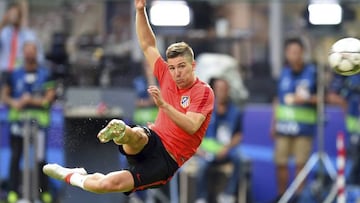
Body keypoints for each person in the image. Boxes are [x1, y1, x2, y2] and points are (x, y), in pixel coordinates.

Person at [42, 0, 214, 197]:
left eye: (182, 66)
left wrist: (164, 106)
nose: (176, 73)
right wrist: (140, 11)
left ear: (194, 65)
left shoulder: (203, 91)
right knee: (138, 136)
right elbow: (148, 45)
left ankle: (72, 175)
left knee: (105, 185)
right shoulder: (168, 76)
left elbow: (192, 125)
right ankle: (121, 131)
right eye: (172, 67)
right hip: (154, 137)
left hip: (167, 160)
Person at [1, 42, 55, 203]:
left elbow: (49, 98)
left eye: (32, 52)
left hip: (39, 124)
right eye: (27, 52)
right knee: (16, 156)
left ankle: (43, 192)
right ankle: (13, 192)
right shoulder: (14, 74)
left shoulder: (45, 74)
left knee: (40, 158)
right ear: (23, 54)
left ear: (36, 53)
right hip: (18, 122)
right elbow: (4, 96)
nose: (29, 55)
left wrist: (32, 100)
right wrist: (14, 102)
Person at [270, 38, 318, 202]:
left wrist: (306, 99)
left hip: (303, 129)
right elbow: (277, 99)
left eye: (297, 52)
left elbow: (323, 98)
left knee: (300, 164)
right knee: (281, 163)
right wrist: (273, 124)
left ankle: (299, 198)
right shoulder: (283, 73)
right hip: (284, 128)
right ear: (286, 54)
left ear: (302, 53)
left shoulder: (312, 72)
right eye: (291, 52)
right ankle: (283, 197)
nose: (294, 56)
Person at [195, 77, 242, 203]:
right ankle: (201, 198)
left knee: (239, 159)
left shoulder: (235, 111)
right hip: (206, 152)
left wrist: (228, 148)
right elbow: (194, 133)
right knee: (202, 166)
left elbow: (238, 135)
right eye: (219, 89)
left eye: (225, 89)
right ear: (214, 91)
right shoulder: (204, 110)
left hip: (225, 151)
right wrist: (198, 149)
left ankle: (227, 194)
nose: (222, 92)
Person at [327, 73, 360, 185]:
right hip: (354, 129)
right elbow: (333, 96)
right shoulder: (351, 75)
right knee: (353, 164)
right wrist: (345, 105)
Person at [0, 3, 43, 85]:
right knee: (3, 95)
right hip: (5, 70)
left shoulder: (28, 34)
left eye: (16, 15)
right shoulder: (4, 32)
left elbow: (38, 54)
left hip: (21, 71)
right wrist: (3, 22)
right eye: (11, 14)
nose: (13, 17)